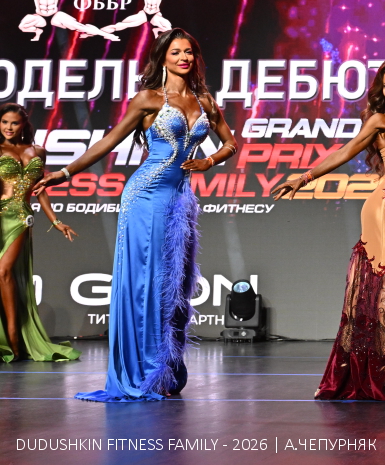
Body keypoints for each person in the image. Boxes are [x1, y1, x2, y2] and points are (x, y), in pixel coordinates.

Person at [33, 28, 238, 402]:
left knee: (175, 285)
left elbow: (230, 144)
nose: (184, 58)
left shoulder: (204, 100)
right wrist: (63, 173)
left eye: (189, 52)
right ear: (163, 58)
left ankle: (165, 368)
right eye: (175, 52)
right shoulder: (148, 99)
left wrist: (209, 161)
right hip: (145, 195)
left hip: (180, 199)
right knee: (148, 281)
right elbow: (108, 142)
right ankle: (143, 369)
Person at [273, 58, 385, 400]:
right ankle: (375, 374)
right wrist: (304, 177)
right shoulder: (380, 121)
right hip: (382, 209)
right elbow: (345, 151)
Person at [0, 103, 79, 363]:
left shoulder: (38, 152)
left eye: (14, 123)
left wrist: (56, 221)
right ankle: (9, 337)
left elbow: (40, 189)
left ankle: (14, 336)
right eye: (4, 122)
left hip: (21, 218)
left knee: (4, 272)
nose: (9, 127)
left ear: (24, 124)